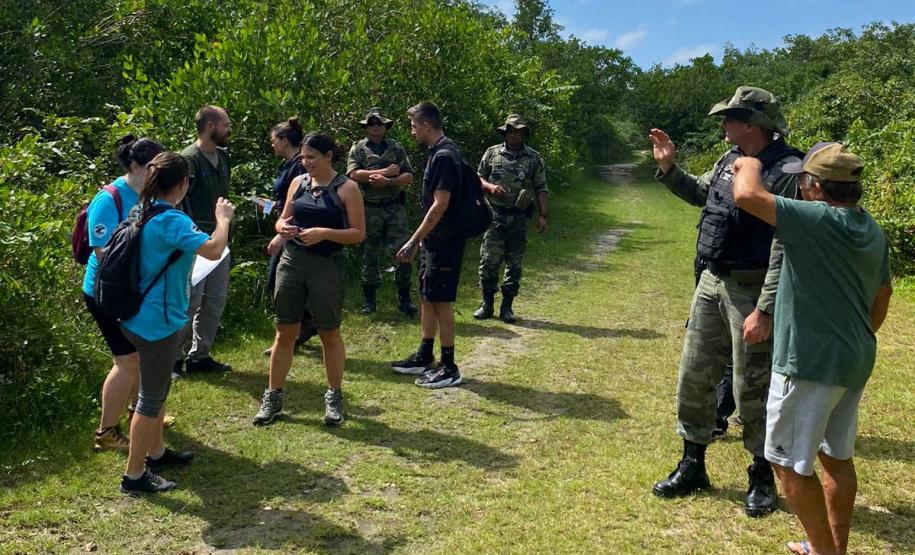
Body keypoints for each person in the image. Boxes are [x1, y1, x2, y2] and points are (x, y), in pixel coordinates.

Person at [648, 86, 804, 517]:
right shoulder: (726, 160)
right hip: (712, 282)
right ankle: (693, 463)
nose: (723, 125)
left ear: (753, 124)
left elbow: (787, 244)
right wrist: (669, 169)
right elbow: (703, 195)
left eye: (730, 118)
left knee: (751, 387)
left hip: (752, 289)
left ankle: (761, 473)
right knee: (694, 375)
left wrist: (766, 307)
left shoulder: (789, 171)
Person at [732, 142, 892, 555]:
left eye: (804, 180)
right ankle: (832, 546)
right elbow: (882, 296)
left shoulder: (816, 219)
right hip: (852, 359)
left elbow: (747, 194)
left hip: (807, 363)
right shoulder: (871, 228)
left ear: (814, 186)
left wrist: (748, 160)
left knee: (785, 463)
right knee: (836, 456)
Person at [119, 152, 235, 493]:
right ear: (183, 184)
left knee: (152, 391)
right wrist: (223, 218)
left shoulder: (142, 210)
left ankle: (155, 453)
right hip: (159, 322)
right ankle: (135, 475)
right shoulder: (172, 220)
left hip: (135, 315)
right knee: (150, 400)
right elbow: (214, 250)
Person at [253, 133, 365, 426]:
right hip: (292, 261)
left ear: (329, 156)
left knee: (329, 332)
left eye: (312, 157)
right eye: (303, 157)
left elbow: (358, 233)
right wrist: (282, 228)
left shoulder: (347, 188)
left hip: (327, 265)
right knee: (284, 331)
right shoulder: (298, 182)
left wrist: (325, 233)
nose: (306, 163)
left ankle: (334, 397)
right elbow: (282, 219)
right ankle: (273, 396)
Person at [85, 136, 164, 451]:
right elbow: (103, 251)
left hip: (135, 290)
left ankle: (138, 414)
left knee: (140, 357)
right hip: (106, 292)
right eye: (152, 168)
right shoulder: (109, 198)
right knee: (127, 361)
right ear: (134, 166)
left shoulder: (149, 192)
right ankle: (106, 432)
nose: (156, 174)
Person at [390, 101, 465, 389]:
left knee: (441, 301)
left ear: (425, 125)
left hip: (444, 241)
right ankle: (425, 354)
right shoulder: (438, 153)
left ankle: (449, 366)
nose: (412, 132)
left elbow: (440, 204)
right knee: (427, 295)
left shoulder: (445, 155)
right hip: (434, 240)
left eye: (413, 126)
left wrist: (413, 240)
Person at [473, 114, 548, 323]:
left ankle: (507, 307)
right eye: (511, 131)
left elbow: (541, 187)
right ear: (505, 132)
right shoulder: (492, 153)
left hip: (518, 218)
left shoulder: (533, 158)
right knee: (488, 261)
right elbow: (478, 177)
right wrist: (489, 187)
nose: (515, 135)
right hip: (494, 216)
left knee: (514, 264)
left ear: (524, 134)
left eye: (519, 132)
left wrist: (543, 215)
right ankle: (487, 304)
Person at [176, 105, 233, 375]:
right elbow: (179, 202)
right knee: (190, 301)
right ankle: (173, 357)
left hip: (221, 238)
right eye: (225, 125)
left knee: (215, 298)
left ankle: (200, 356)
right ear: (211, 126)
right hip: (194, 242)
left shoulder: (223, 158)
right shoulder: (188, 159)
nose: (228, 130)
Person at [346, 107, 418, 316]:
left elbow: (408, 177)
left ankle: (404, 298)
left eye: (379, 123)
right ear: (366, 127)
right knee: (369, 254)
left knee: (403, 252)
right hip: (368, 209)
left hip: (394, 208)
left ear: (386, 126)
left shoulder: (396, 148)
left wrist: (389, 181)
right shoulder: (358, 149)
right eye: (372, 123)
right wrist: (382, 172)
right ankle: (369, 300)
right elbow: (352, 174)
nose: (376, 127)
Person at [263, 117, 318, 356]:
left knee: (280, 283)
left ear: (285, 141)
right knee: (278, 283)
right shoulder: (287, 166)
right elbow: (284, 202)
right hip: (285, 227)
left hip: (292, 234)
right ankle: (301, 328)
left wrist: (282, 236)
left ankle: (299, 329)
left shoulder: (298, 167)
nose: (272, 145)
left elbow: (298, 204)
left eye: (274, 140)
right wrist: (268, 207)